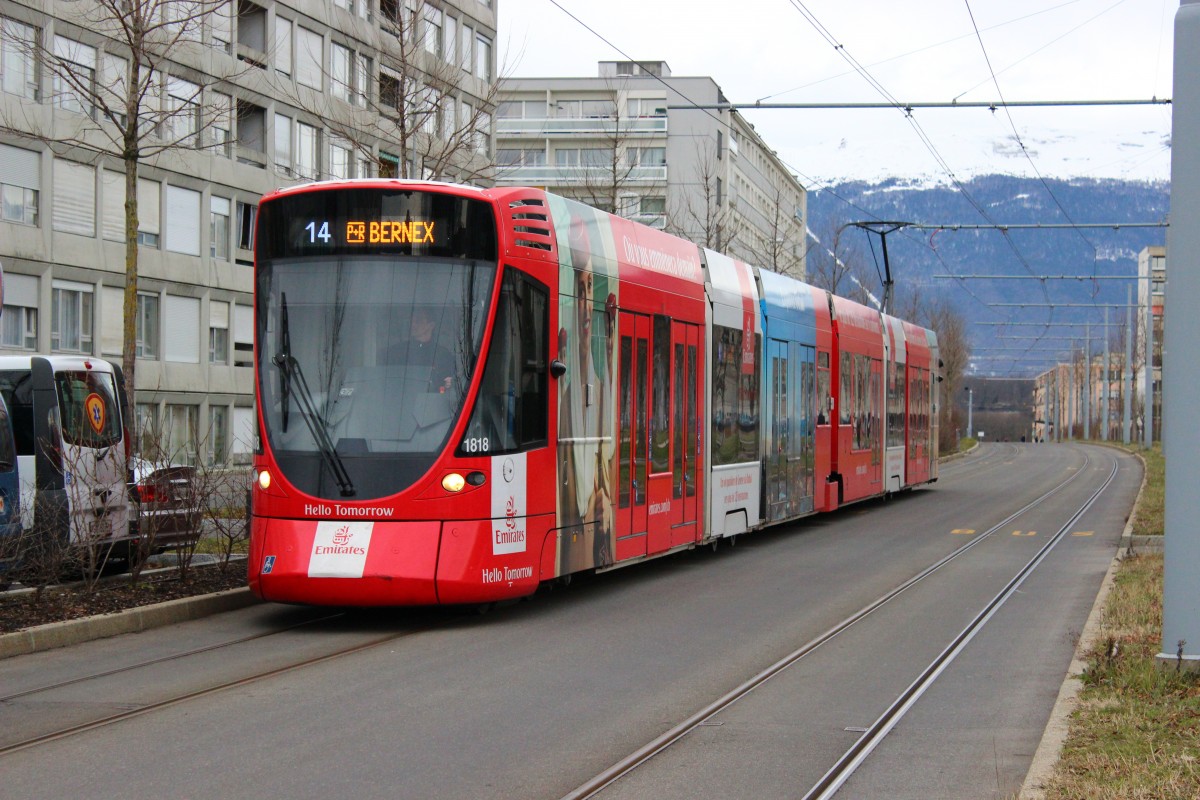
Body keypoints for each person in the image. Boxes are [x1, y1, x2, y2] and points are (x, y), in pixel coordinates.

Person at [389, 306, 456, 394]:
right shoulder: (397, 351)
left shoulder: (443, 354)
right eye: (412, 320)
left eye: (418, 320)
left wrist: (448, 383)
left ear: (431, 325)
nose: (413, 324)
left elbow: (448, 383)